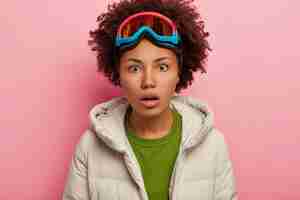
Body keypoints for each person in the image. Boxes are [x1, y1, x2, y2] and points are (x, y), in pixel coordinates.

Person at [62, 0, 237, 199]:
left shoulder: (214, 145)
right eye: (134, 68)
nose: (148, 81)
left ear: (179, 72)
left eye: (162, 67)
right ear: (118, 73)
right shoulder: (89, 147)